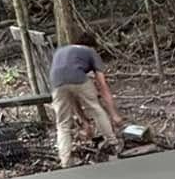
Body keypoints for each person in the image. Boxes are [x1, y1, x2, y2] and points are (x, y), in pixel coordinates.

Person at [47, 33, 122, 168]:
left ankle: (65, 160)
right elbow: (102, 86)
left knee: (63, 124)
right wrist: (114, 114)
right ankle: (113, 144)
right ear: (92, 46)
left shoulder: (61, 51)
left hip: (56, 82)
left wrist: (85, 122)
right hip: (78, 78)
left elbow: (72, 97)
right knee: (95, 108)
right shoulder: (90, 52)